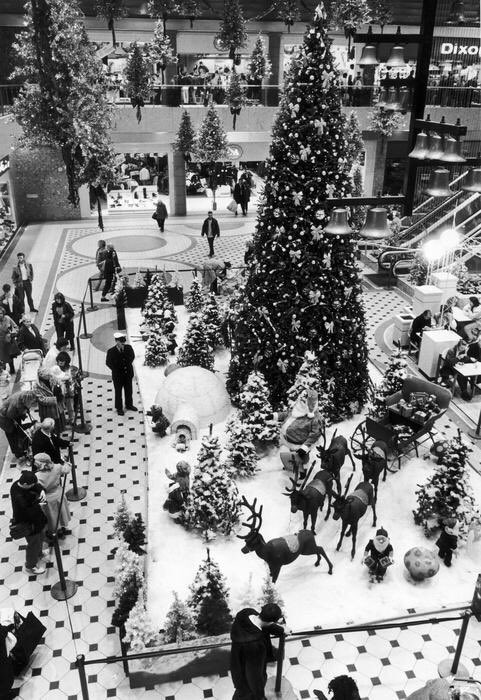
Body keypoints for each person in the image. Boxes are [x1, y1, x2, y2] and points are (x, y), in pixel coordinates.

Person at [230, 603, 285, 700]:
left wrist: (281, 630)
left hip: (238, 665)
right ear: (273, 621)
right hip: (247, 681)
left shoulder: (245, 613)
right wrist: (260, 696)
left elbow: (264, 625)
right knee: (246, 694)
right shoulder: (256, 645)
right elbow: (254, 675)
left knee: (240, 692)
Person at [10, 470, 48, 575]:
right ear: (25, 484)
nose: (33, 486)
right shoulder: (18, 496)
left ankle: (39, 553)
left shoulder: (22, 483)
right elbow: (28, 512)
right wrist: (39, 504)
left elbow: (36, 486)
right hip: (28, 523)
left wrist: (42, 491)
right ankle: (30, 566)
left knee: (41, 536)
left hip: (37, 520)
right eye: (31, 485)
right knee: (33, 543)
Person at [33, 453, 71, 539]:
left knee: (52, 516)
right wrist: (67, 463)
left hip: (47, 499)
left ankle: (55, 531)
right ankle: (61, 528)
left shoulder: (37, 476)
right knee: (61, 512)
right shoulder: (57, 467)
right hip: (58, 494)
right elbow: (67, 470)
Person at [105, 331, 137, 416]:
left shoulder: (128, 348)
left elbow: (131, 357)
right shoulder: (111, 351)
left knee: (129, 391)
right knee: (118, 392)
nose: (123, 344)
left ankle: (129, 404)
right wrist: (116, 369)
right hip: (118, 376)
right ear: (117, 341)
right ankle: (119, 408)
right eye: (121, 342)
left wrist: (123, 352)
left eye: (123, 342)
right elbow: (108, 363)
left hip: (128, 374)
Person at [0, 390, 37, 460]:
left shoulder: (23, 397)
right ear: (27, 400)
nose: (32, 403)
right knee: (12, 435)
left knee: (18, 432)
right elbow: (10, 415)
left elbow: (24, 407)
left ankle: (21, 447)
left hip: (11, 414)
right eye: (31, 402)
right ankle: (17, 453)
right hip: (5, 419)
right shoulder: (15, 404)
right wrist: (22, 414)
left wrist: (25, 411)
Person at [0, 306, 19, 374]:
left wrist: (13, 332)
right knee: (2, 358)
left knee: (10, 357)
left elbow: (16, 327)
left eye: (1, 313)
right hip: (1, 343)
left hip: (8, 340)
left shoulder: (7, 318)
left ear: (3, 313)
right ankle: (3, 373)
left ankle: (12, 369)